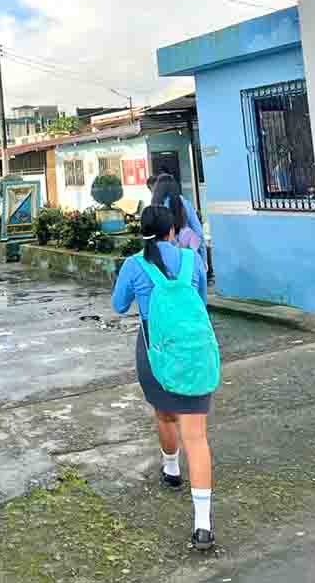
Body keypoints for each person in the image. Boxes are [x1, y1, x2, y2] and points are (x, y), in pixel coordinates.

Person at [111, 203, 215, 551]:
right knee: (196, 437)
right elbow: (199, 301)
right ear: (173, 231)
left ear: (142, 232)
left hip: (154, 353)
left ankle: (171, 470)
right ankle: (203, 526)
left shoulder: (134, 264)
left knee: (164, 414)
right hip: (195, 353)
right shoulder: (192, 260)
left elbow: (118, 306)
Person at [149, 171, 211, 279]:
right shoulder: (183, 202)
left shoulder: (154, 207)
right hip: (185, 258)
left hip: (161, 259)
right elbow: (198, 232)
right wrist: (203, 258)